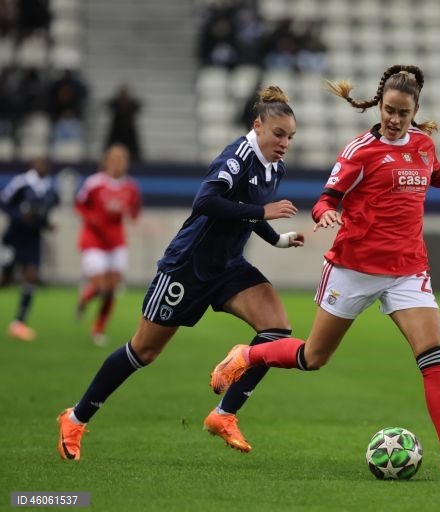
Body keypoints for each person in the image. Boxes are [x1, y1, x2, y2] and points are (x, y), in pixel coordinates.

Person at [209, 64, 440, 480]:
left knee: (433, 356)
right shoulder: (360, 150)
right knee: (312, 357)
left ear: (415, 112)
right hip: (353, 269)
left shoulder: (423, 147)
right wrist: (326, 215)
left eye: (403, 113)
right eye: (388, 110)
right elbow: (326, 197)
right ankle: (247, 355)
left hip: (408, 269)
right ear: (379, 105)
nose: (394, 119)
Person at [57, 86, 304, 461]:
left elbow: (249, 209)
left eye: (290, 137)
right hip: (187, 268)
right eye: (279, 134)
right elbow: (206, 201)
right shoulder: (237, 156)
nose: (285, 143)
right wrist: (263, 214)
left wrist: (277, 240)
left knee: (276, 330)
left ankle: (224, 414)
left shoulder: (274, 166)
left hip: (228, 267)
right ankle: (75, 418)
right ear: (258, 126)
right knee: (143, 351)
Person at [74, 144, 142, 346]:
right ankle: (85, 298)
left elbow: (134, 211)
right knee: (101, 286)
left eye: (122, 159)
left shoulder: (130, 187)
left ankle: (98, 329)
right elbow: (79, 204)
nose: (118, 163)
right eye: (114, 158)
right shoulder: (94, 183)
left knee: (112, 290)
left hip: (116, 241)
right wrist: (91, 218)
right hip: (93, 239)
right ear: (106, 161)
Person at [1, 157, 59, 341]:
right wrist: (19, 216)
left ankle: (19, 323)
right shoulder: (22, 182)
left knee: (31, 276)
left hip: (33, 239)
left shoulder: (50, 188)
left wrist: (46, 225)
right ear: (32, 165)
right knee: (5, 279)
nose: (42, 166)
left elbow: (43, 213)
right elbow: (4, 201)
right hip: (14, 237)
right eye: (39, 163)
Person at [104, 84, 142, 161]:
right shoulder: (115, 103)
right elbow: (108, 104)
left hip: (129, 131)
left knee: (133, 151)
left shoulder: (131, 104)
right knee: (111, 148)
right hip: (116, 130)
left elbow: (138, 106)